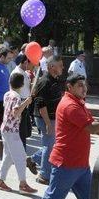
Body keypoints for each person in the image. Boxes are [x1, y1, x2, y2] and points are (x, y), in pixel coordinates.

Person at [0, 73, 37, 194]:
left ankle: (0, 180)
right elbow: (16, 113)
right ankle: (23, 184)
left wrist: (24, 102)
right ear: (22, 85)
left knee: (8, 156)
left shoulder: (7, 94)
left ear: (10, 83)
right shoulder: (17, 97)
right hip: (12, 131)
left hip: (5, 128)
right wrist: (26, 103)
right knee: (19, 157)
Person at [28, 56, 65, 185]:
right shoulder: (44, 81)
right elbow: (40, 103)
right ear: (51, 67)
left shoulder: (56, 80)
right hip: (45, 118)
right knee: (49, 146)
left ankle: (33, 159)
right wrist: (48, 123)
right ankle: (44, 175)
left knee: (52, 145)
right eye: (60, 65)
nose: (62, 67)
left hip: (54, 117)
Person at [12, 53, 33, 148]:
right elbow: (16, 90)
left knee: (25, 131)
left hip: (25, 102)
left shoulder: (23, 72)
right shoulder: (18, 73)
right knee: (21, 131)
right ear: (24, 62)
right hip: (20, 103)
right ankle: (21, 151)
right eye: (28, 63)